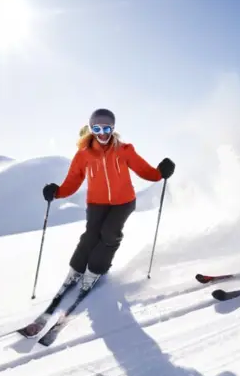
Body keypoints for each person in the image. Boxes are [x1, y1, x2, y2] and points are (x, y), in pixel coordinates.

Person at [42, 108, 175, 291]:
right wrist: (57, 192)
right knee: (91, 236)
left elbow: (144, 170)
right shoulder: (84, 155)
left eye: (106, 129)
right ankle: (76, 269)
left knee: (109, 234)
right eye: (97, 129)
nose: (102, 134)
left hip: (123, 202)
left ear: (112, 129)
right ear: (91, 129)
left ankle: (95, 270)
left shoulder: (124, 150)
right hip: (97, 203)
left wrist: (160, 172)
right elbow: (73, 181)